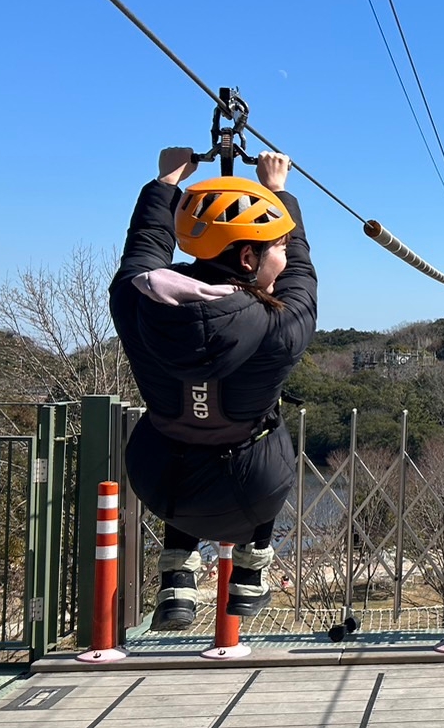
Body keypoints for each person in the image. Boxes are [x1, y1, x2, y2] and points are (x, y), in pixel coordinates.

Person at [110, 147, 316, 630]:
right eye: (278, 248)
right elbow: (302, 274)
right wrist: (277, 191)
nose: (285, 257)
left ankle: (177, 576)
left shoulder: (135, 301)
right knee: (268, 428)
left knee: (180, 434)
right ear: (247, 257)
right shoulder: (281, 328)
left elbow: (145, 247)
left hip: (161, 485)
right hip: (251, 491)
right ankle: (250, 572)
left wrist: (165, 184)